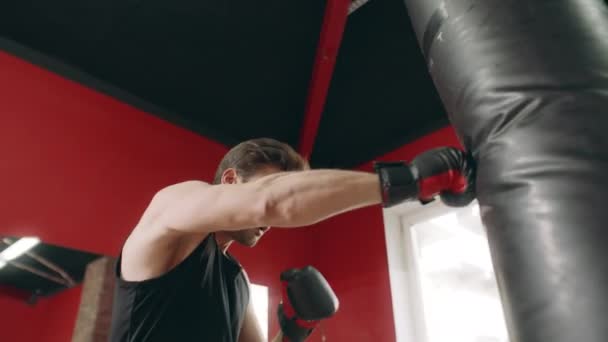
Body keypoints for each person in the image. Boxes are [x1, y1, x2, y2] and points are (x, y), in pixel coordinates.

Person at [108, 137, 475, 342]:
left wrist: (295, 328)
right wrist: (410, 179)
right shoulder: (171, 209)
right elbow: (270, 201)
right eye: (273, 180)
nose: (269, 223)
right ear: (231, 181)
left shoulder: (235, 279)